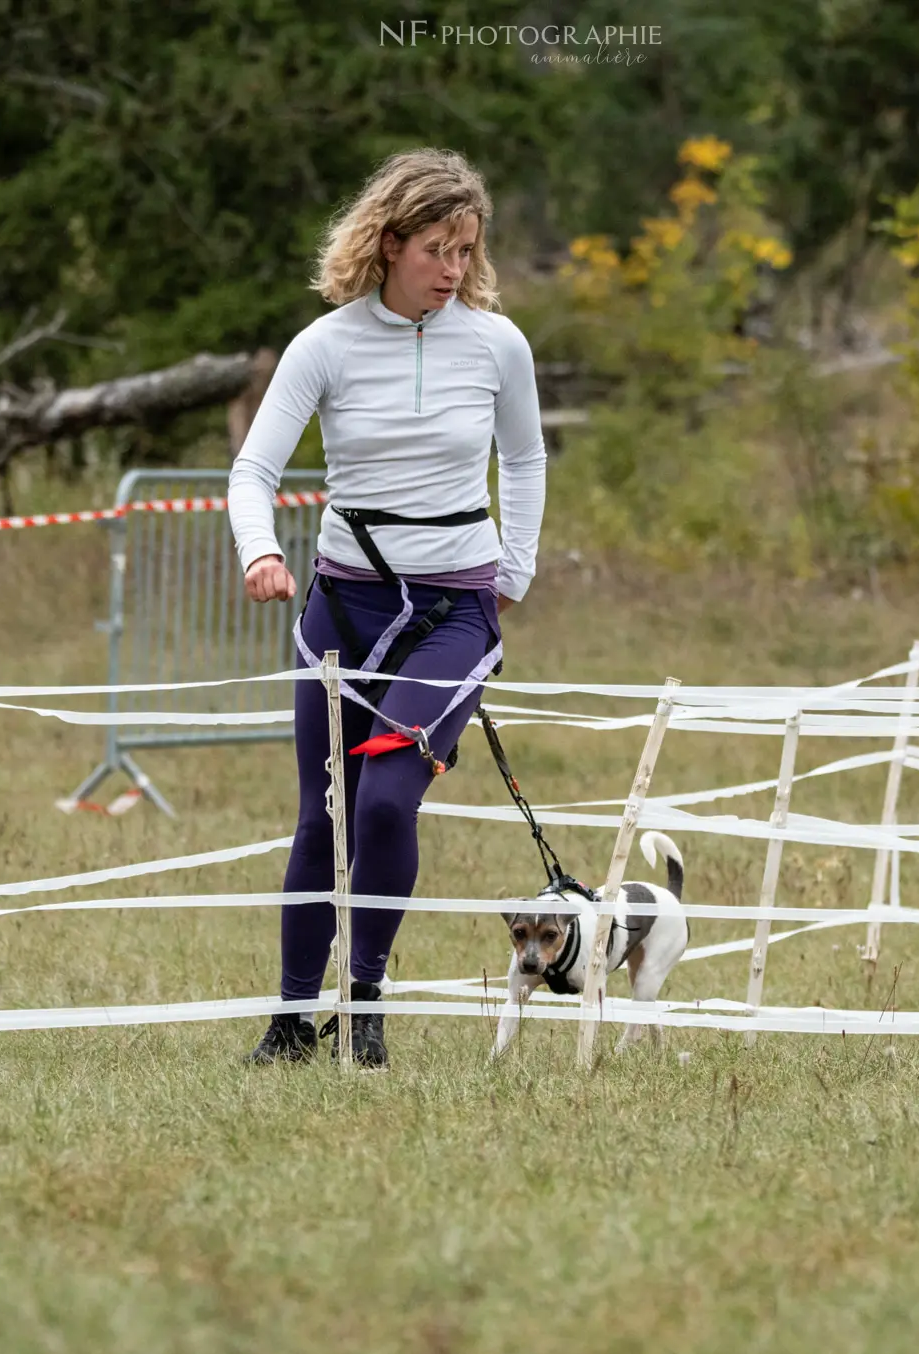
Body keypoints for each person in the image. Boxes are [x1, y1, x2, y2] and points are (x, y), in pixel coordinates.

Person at [226, 147, 546, 1069]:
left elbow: (523, 460)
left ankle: (364, 1003)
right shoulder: (324, 344)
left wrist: (510, 570)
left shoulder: (497, 344)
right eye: (436, 249)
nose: (452, 270)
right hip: (344, 606)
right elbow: (255, 469)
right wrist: (259, 550)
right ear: (390, 240)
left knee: (385, 800)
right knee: (324, 813)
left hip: (455, 609)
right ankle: (290, 1022)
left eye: (466, 251)